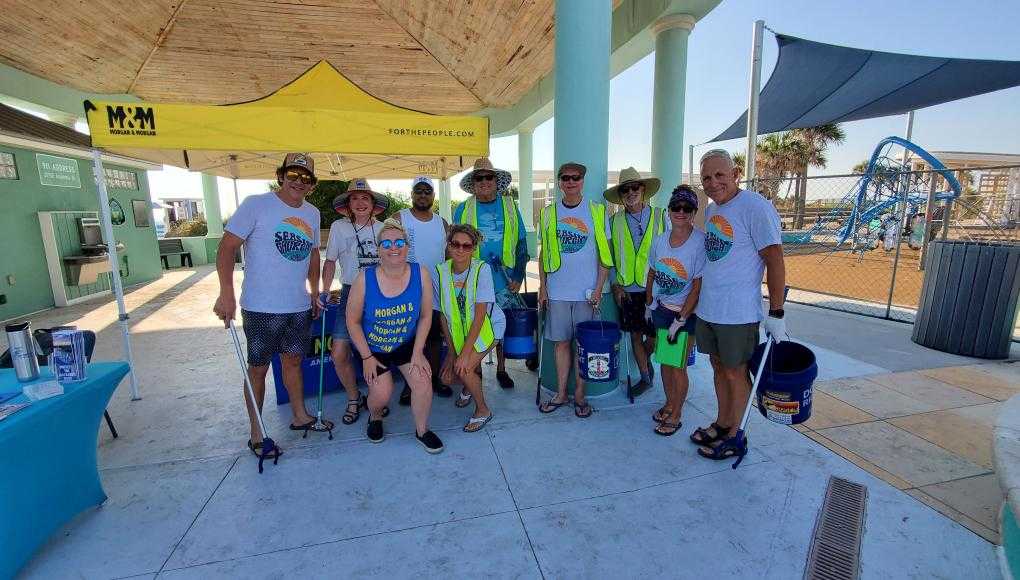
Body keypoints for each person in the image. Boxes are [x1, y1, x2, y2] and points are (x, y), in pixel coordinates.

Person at [213, 152, 333, 456]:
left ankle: (299, 415)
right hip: (260, 308)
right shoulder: (256, 204)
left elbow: (313, 254)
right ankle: (257, 433)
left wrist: (315, 290)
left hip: (297, 306)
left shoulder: (313, 213)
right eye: (293, 175)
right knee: (258, 369)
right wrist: (225, 293)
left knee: (293, 361)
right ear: (281, 176)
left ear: (312, 185)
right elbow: (227, 247)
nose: (298, 182)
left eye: (305, 178)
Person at [692, 149, 788, 460]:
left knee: (736, 372)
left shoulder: (755, 208)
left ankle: (737, 436)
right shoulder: (711, 212)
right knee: (718, 367)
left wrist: (776, 312)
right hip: (711, 309)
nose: (713, 182)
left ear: (736, 174)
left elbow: (774, 259)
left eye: (720, 175)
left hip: (738, 313)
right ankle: (723, 422)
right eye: (707, 177)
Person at [346, 218, 444, 454]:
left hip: (406, 345)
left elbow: (425, 317)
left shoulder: (420, 273)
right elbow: (352, 321)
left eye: (399, 242)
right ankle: (375, 417)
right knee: (382, 394)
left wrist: (419, 351)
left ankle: (422, 430)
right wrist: (367, 357)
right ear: (378, 249)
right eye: (387, 243)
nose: (394, 247)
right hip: (373, 348)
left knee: (422, 382)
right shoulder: (364, 279)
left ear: (407, 247)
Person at [537, 161, 613, 419]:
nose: (570, 182)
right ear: (559, 182)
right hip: (557, 292)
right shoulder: (548, 213)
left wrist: (599, 288)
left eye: (576, 178)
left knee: (584, 346)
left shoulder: (598, 212)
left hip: (586, 294)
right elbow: (543, 253)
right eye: (565, 178)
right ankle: (560, 393)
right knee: (561, 345)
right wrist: (543, 287)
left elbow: (605, 254)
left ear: (583, 181)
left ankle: (579, 395)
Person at [453, 158, 530, 390]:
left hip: (504, 278)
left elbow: (522, 243)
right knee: (474, 324)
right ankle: (473, 371)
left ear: (497, 182)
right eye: (479, 178)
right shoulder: (463, 209)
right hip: (473, 278)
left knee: (502, 323)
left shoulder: (510, 206)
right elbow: (454, 244)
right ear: (473, 184)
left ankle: (501, 369)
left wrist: (518, 275)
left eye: (489, 177)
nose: (484, 181)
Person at [320, 177, 389, 426]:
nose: (360, 202)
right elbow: (329, 262)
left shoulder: (384, 228)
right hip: (349, 293)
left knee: (377, 351)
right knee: (339, 352)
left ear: (372, 203)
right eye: (355, 198)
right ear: (348, 204)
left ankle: (377, 398)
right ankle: (353, 397)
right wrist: (324, 290)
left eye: (365, 198)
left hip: (379, 293)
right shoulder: (339, 227)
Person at [644, 185, 705, 436]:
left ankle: (677, 413)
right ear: (669, 211)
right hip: (662, 310)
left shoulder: (699, 242)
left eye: (687, 208)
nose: (680, 212)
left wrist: (681, 319)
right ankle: (669, 403)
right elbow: (652, 272)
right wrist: (649, 302)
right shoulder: (660, 240)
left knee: (678, 366)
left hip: (684, 316)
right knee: (665, 363)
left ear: (693, 212)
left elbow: (697, 286)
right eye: (676, 207)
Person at [432, 224, 506, 432]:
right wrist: (452, 353)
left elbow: (481, 315)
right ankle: (467, 386)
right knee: (447, 376)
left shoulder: (481, 269)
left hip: (488, 327)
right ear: (448, 245)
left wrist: (463, 356)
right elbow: (443, 316)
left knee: (463, 369)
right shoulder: (440, 272)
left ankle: (483, 410)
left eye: (467, 246)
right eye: (455, 244)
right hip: (460, 334)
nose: (460, 250)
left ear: (474, 248)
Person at [605, 167, 666, 395]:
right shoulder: (613, 222)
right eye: (625, 190)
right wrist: (614, 284)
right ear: (620, 195)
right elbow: (608, 257)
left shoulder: (661, 216)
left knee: (655, 337)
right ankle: (645, 376)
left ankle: (647, 360)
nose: (630, 192)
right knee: (634, 335)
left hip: (656, 290)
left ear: (643, 190)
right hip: (628, 290)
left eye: (634, 187)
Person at [394, 176, 452, 403]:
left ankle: (435, 379)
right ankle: (411, 385)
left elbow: (448, 257)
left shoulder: (442, 223)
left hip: (436, 289)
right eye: (418, 191)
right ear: (412, 194)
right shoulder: (399, 218)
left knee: (435, 337)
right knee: (408, 337)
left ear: (433, 196)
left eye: (428, 191)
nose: (423, 195)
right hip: (406, 288)